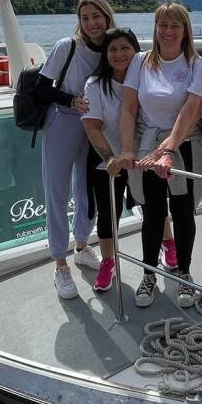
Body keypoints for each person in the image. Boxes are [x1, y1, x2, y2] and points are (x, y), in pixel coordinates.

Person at [119, 1, 202, 308]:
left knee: (184, 214)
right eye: (162, 25)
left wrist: (168, 149)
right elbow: (129, 107)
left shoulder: (197, 64)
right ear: (155, 29)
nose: (168, 31)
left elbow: (191, 111)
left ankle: (184, 273)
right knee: (153, 213)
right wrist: (129, 148)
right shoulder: (141, 62)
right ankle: (149, 274)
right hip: (147, 144)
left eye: (175, 25)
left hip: (184, 146)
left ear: (185, 31)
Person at [38, 0, 112, 300]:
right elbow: (41, 87)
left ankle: (82, 245)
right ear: (79, 21)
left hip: (95, 124)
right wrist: (70, 100)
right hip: (64, 122)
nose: (92, 23)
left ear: (107, 17)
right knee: (57, 191)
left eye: (97, 16)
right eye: (85, 17)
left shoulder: (111, 48)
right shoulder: (67, 46)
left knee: (88, 189)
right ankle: (59, 262)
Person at [81, 27, 141, 292]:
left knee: (153, 206)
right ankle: (108, 261)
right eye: (112, 49)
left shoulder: (147, 78)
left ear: (135, 51)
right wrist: (110, 159)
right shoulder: (95, 85)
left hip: (142, 157)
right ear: (105, 55)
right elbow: (92, 126)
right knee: (108, 216)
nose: (119, 54)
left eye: (125, 48)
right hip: (108, 161)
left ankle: (168, 246)